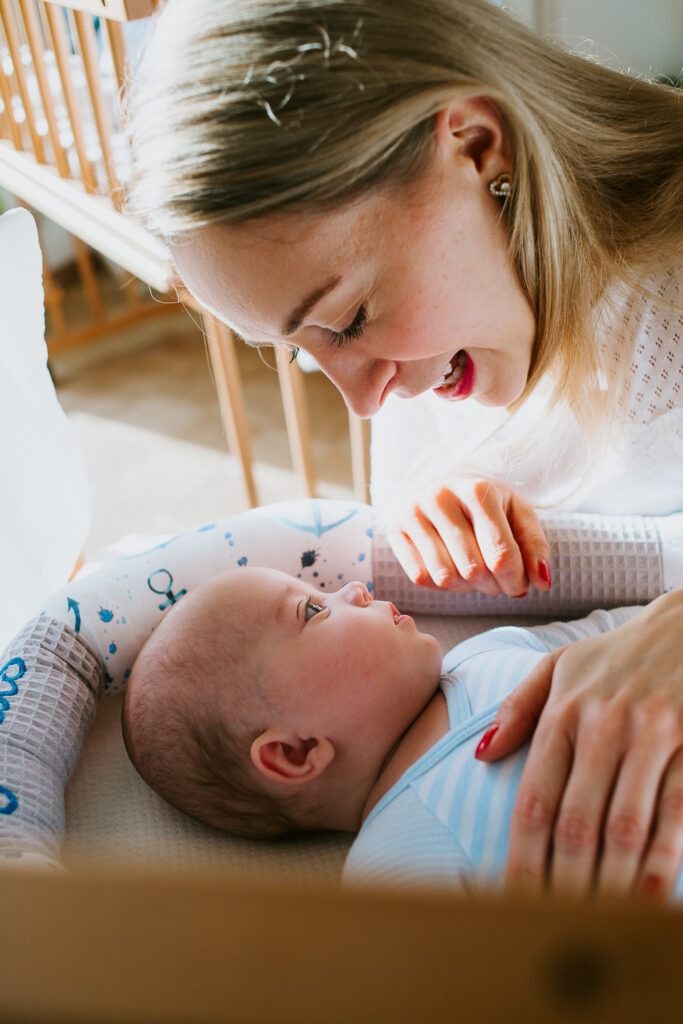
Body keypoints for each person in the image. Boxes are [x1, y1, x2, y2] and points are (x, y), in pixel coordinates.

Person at [123, 0, 683, 895]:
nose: (363, 393)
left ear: (471, 146)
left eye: (347, 318)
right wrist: (442, 493)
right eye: (305, 355)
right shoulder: (431, 386)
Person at [122, 566, 681, 901]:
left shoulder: (486, 651)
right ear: (295, 752)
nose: (355, 588)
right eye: (313, 609)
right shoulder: (392, 866)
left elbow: (630, 636)